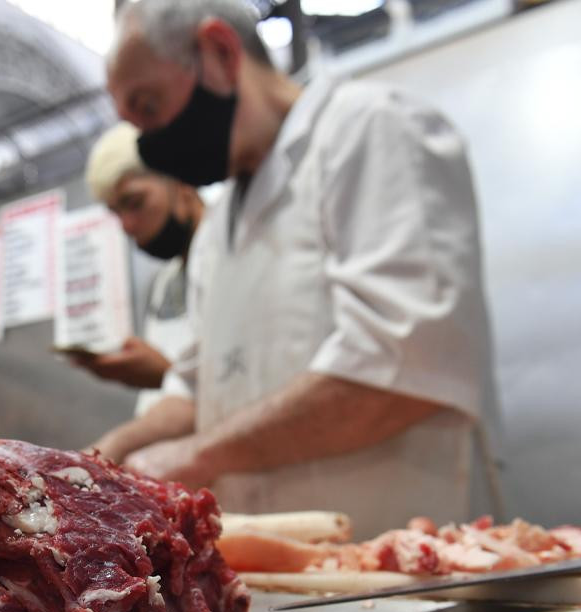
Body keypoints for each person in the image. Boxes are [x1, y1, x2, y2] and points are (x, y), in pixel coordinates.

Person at [95, 0, 502, 535]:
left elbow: (403, 366)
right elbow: (198, 387)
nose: (150, 143)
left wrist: (196, 456)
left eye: (149, 107)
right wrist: (113, 452)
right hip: (275, 586)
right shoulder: (218, 228)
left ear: (219, 52)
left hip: (395, 560)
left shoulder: (371, 130)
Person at [71, 122, 204, 416]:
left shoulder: (234, 254)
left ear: (179, 179)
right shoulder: (165, 283)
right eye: (116, 212)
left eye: (135, 203)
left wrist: (165, 375)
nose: (127, 226)